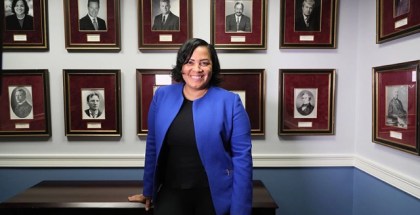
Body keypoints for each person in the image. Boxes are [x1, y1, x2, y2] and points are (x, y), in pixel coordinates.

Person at [128, 38, 253, 215]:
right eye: (189, 62)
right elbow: (153, 146)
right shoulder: (161, 96)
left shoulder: (231, 102)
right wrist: (148, 189)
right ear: (181, 66)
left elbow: (242, 159)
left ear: (213, 67)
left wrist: (241, 210)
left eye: (204, 63)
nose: (197, 69)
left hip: (214, 197)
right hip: (171, 192)